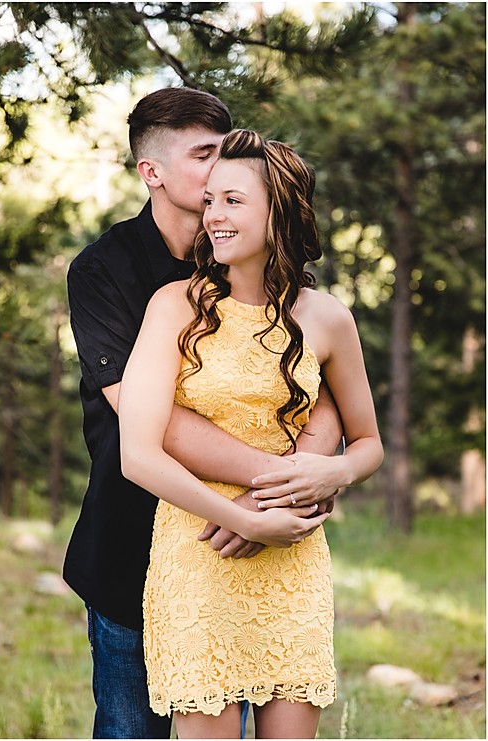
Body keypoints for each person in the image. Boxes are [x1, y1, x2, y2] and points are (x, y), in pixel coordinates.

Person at [64, 88, 353, 739]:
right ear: (153, 172)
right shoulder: (106, 272)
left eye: (230, 157)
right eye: (205, 156)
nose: (223, 172)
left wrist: (298, 487)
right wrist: (273, 493)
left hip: (277, 541)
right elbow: (151, 421)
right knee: (131, 725)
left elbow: (323, 386)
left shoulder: (262, 264)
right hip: (140, 536)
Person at [119, 129, 383, 738]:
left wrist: (336, 471)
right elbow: (139, 454)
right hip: (201, 550)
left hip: (293, 561)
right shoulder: (172, 307)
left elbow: (368, 442)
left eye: (232, 201)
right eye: (210, 200)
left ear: (279, 209)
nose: (212, 215)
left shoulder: (327, 319)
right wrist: (244, 519)